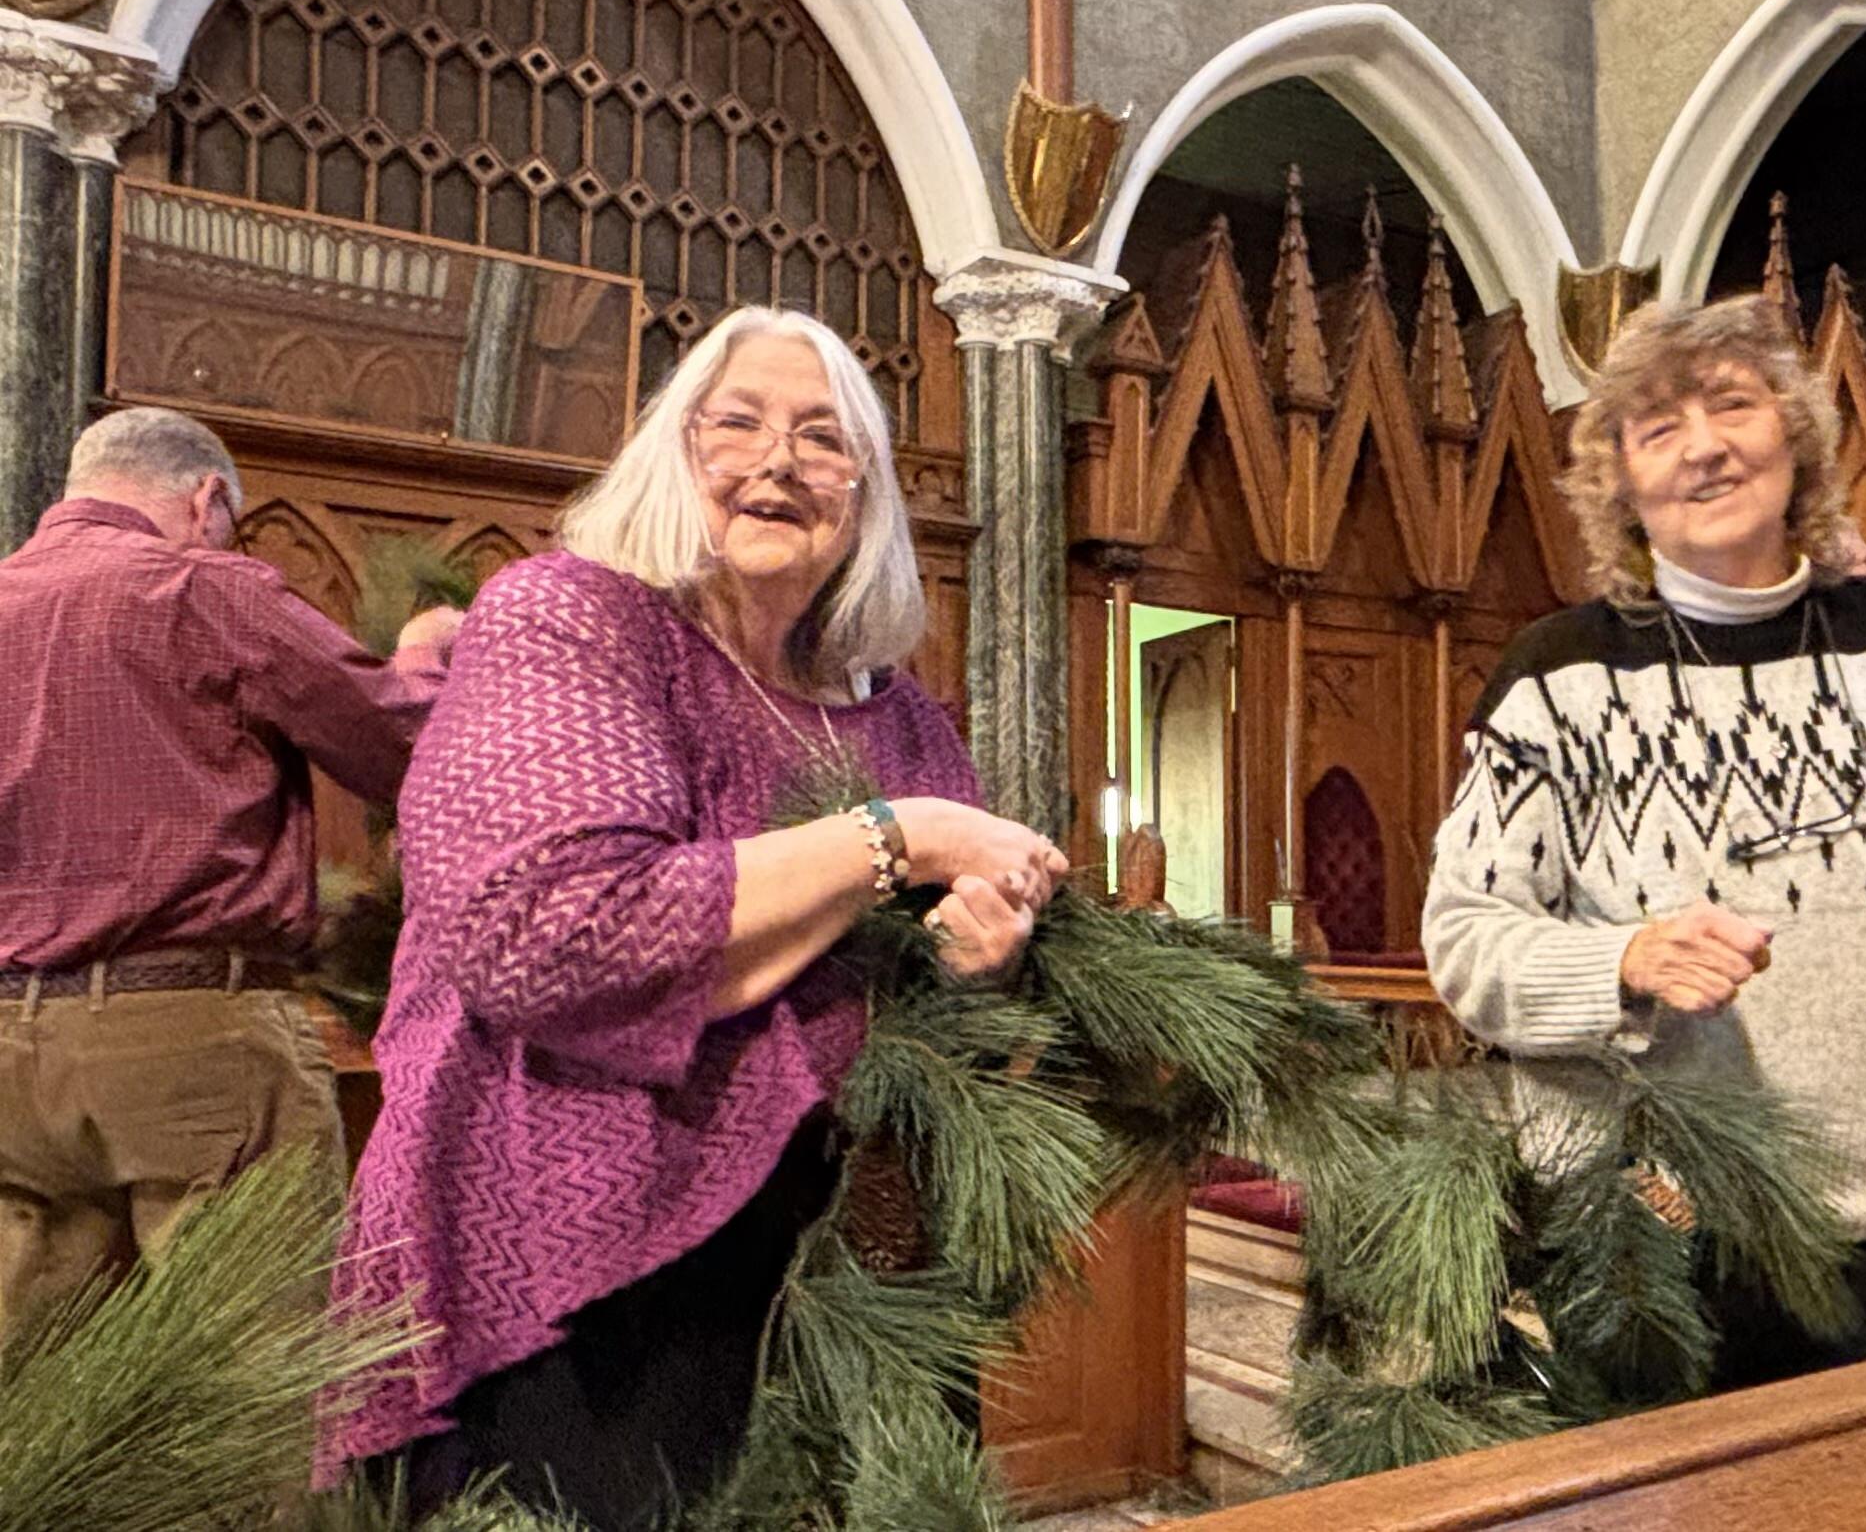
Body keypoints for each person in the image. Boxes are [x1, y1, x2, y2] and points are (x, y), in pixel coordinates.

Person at [328, 307, 1066, 1531]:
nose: (778, 460)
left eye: (823, 438)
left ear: (867, 493)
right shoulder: (570, 622)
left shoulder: (898, 717)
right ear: (674, 450)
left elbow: (925, 999)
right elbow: (552, 935)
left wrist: (979, 952)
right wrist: (898, 837)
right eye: (738, 423)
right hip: (583, 1258)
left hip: (845, 1261)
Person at [1423, 296, 1866, 1393]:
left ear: (1794, 439)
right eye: (1659, 427)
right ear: (1622, 482)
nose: (1703, 446)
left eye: (1733, 406)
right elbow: (1464, 941)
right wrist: (1619, 960)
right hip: (1635, 1219)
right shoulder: (1554, 675)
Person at [0, 407, 456, 1346]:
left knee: (34, 1396)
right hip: (194, 1046)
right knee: (251, 1379)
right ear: (208, 498)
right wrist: (423, 653)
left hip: (11, 1053)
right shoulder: (201, 587)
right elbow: (406, 747)